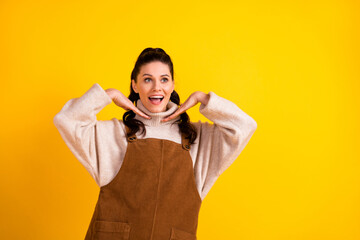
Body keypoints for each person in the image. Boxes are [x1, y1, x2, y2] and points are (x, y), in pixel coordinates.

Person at [53, 47, 257, 240]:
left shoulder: (198, 138)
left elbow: (245, 126)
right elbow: (66, 120)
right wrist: (108, 95)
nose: (157, 87)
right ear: (135, 85)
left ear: (172, 85)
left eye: (164, 79)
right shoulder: (114, 134)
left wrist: (204, 99)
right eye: (147, 79)